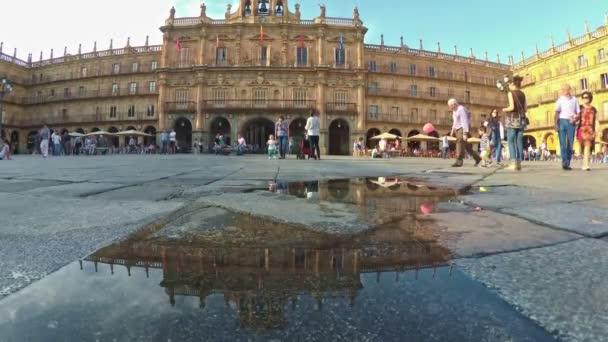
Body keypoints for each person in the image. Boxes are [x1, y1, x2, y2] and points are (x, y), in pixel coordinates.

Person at [501, 75, 527, 171]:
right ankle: (519, 163)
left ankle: (513, 163)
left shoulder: (510, 93)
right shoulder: (523, 94)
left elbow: (511, 107)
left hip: (512, 119)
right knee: (519, 141)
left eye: (509, 84)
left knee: (511, 141)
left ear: (512, 83)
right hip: (521, 120)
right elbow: (525, 109)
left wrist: (504, 109)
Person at [448, 98, 481, 167]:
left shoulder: (461, 109)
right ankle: (477, 158)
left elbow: (464, 121)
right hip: (457, 129)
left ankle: (459, 161)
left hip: (462, 128)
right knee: (466, 146)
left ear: (454, 104)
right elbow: (455, 121)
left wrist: (465, 133)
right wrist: (452, 130)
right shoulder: (454, 111)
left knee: (459, 142)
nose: (449, 107)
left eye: (450, 105)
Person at [555, 84, 580, 170]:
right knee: (562, 143)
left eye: (566, 89)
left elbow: (578, 112)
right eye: (563, 90)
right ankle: (564, 162)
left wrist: (575, 118)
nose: (565, 91)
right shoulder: (560, 100)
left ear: (570, 90)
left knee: (570, 143)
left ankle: (567, 163)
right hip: (562, 121)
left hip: (571, 122)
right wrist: (556, 124)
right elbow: (557, 113)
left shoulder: (574, 100)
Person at [578, 91, 599, 171]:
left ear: (590, 98)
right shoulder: (580, 107)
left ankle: (586, 165)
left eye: (586, 97)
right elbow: (576, 116)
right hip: (581, 129)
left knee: (587, 146)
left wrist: (597, 129)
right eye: (583, 97)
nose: (584, 99)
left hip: (590, 129)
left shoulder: (593, 109)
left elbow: (596, 119)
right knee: (584, 147)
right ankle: (584, 163)